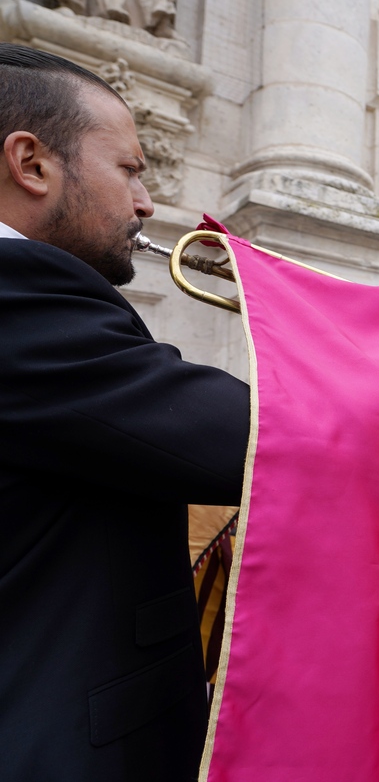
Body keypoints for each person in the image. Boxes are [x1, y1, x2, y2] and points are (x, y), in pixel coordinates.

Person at [0, 45, 250, 778]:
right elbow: (240, 440)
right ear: (32, 163)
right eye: (131, 170)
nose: (145, 204)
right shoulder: (17, 295)